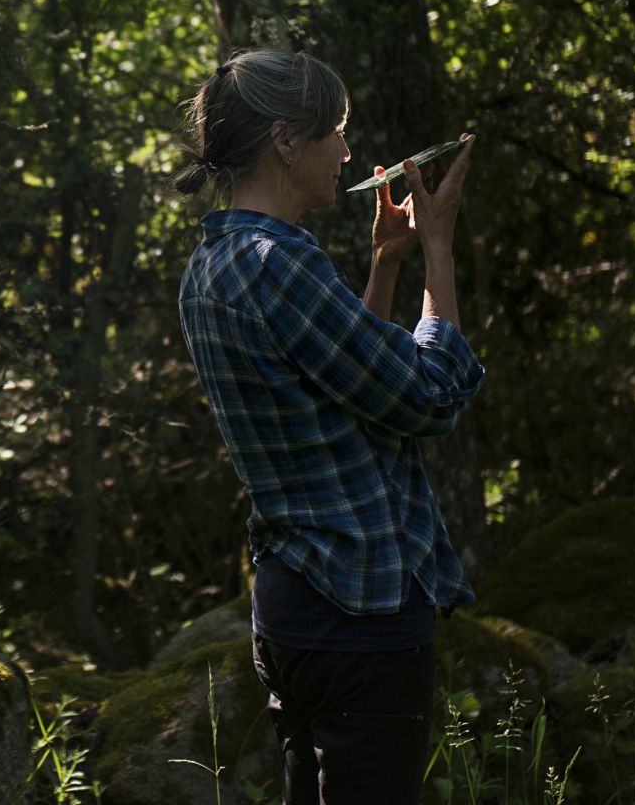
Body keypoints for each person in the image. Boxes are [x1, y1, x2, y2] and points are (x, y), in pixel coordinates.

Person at [171, 47, 481, 804]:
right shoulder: (279, 263)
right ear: (285, 140)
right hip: (360, 609)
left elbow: (346, 394)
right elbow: (429, 397)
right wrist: (439, 248)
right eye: (335, 132)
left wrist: (385, 265)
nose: (347, 152)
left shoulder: (214, 263)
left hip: (295, 608)